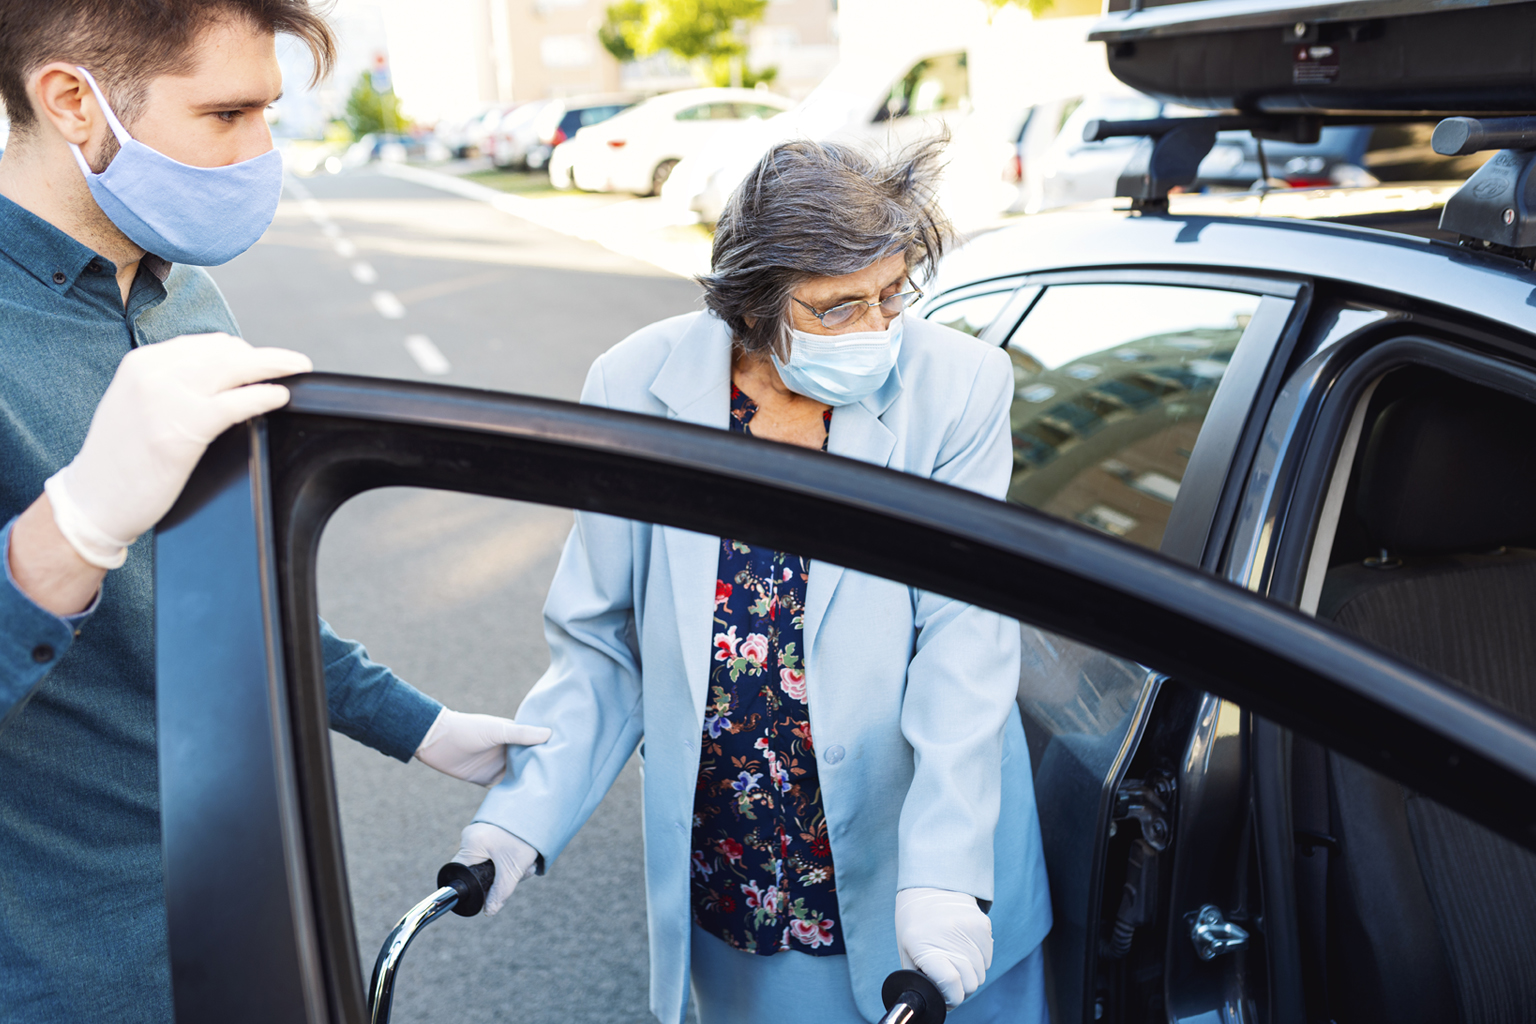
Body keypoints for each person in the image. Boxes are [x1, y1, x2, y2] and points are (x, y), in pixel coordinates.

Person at [0, 3, 549, 1021]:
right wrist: (70, 528)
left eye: (270, 114)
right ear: (73, 100)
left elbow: (221, 595)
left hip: (248, 923)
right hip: (66, 979)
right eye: (227, 114)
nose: (263, 153)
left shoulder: (186, 300)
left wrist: (417, 724)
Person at [452, 138, 1052, 1024]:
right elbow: (600, 640)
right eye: (837, 308)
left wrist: (943, 873)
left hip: (932, 878)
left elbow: (966, 640)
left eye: (893, 293)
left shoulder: (958, 387)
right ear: (750, 309)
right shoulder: (633, 387)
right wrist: (522, 816)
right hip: (749, 878)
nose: (880, 329)